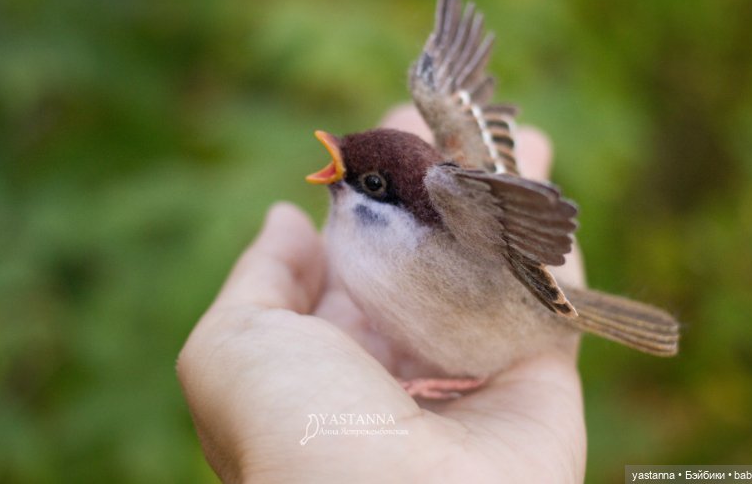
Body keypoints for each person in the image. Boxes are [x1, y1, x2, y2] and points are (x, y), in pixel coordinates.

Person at [177, 107, 587, 483]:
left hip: (498, 323)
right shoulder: (359, 240)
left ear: (391, 201)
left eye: (370, 182)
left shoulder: (433, 248)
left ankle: (469, 375)